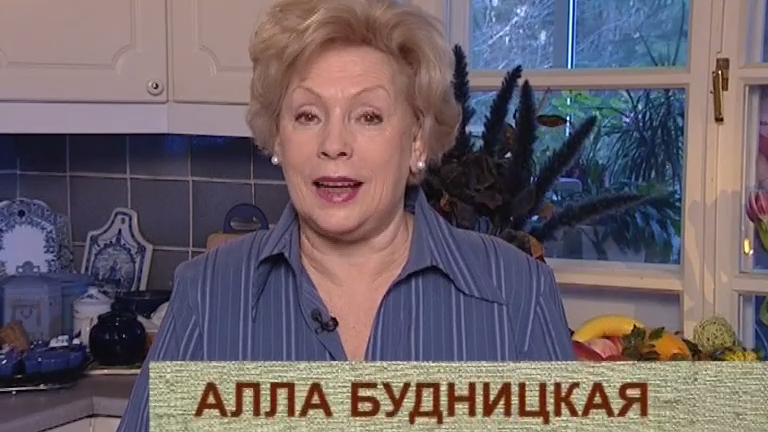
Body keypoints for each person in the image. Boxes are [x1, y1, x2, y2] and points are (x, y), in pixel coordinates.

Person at [116, 0, 574, 429]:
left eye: (368, 116)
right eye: (308, 116)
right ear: (278, 137)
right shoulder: (207, 293)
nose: (334, 144)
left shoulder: (517, 293)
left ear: (416, 140)